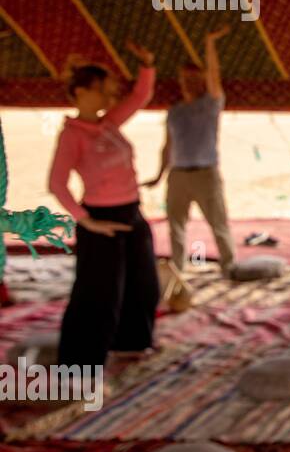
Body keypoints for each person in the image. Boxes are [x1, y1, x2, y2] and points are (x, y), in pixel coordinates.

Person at [48, 42, 161, 366]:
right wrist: (87, 221)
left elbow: (140, 96)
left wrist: (147, 64)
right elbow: (57, 183)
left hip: (131, 213)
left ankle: (131, 344)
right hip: (100, 219)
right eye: (101, 90)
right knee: (98, 295)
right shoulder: (73, 135)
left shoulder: (108, 123)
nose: (108, 97)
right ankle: (79, 364)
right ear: (81, 92)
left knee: (143, 284)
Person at [143, 27, 235, 274]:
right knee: (176, 225)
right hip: (179, 175)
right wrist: (160, 174)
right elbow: (167, 145)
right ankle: (178, 269)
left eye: (195, 77)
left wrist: (209, 45)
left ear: (202, 81)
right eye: (185, 77)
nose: (189, 82)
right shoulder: (175, 111)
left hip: (206, 173)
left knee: (218, 223)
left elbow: (215, 75)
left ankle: (229, 266)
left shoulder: (211, 104)